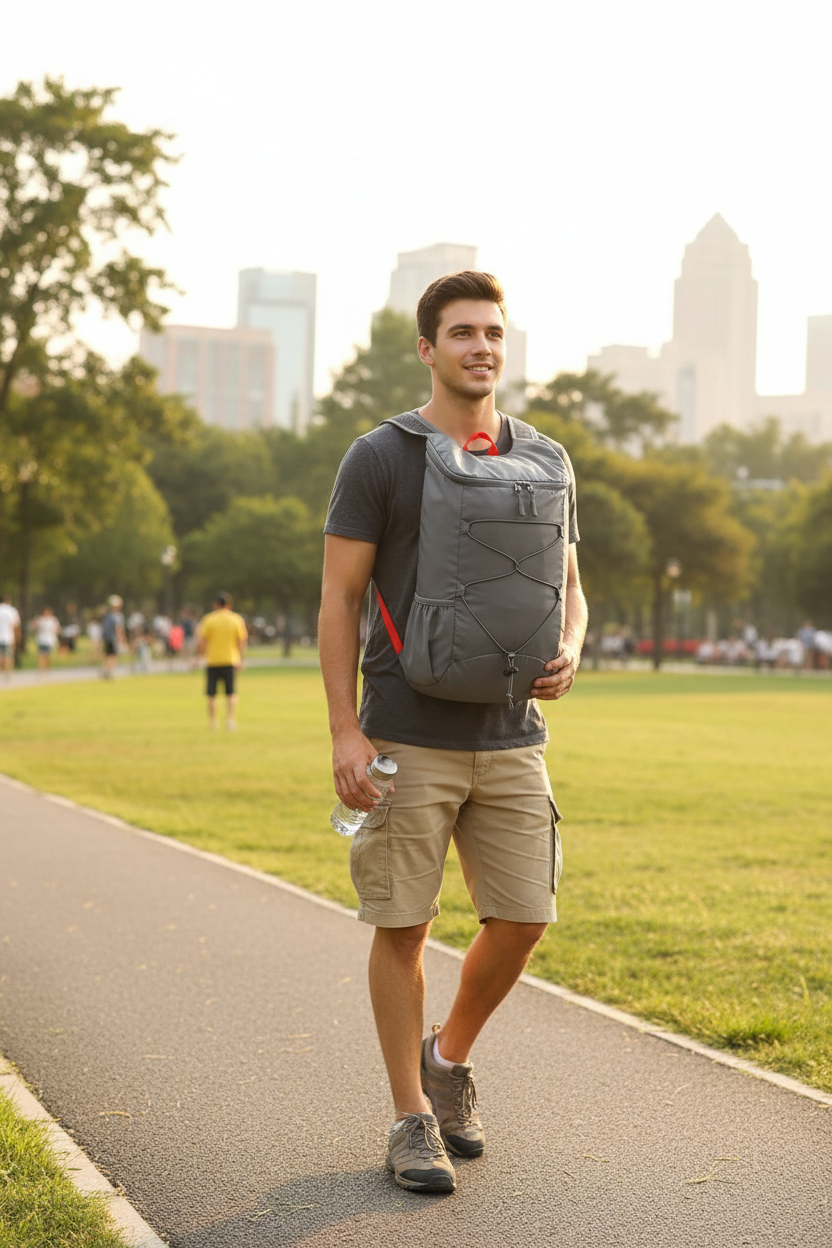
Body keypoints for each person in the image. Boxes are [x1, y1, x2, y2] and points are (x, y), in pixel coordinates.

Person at [319, 271, 587, 1193]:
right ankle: (410, 1119)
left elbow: (571, 588)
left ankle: (449, 1057)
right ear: (428, 349)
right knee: (404, 925)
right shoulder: (380, 457)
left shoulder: (546, 458)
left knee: (525, 917)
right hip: (406, 733)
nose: (482, 347)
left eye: (494, 333)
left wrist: (572, 647)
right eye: (463, 332)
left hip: (513, 735)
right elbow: (340, 598)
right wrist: (346, 732)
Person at [197, 593, 248, 730]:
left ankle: (213, 722)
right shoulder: (236, 619)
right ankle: (230, 721)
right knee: (231, 694)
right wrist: (240, 659)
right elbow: (241, 642)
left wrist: (199, 657)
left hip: (212, 660)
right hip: (230, 660)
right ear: (229, 605)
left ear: (216, 605)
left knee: (211, 695)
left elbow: (203, 641)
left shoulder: (209, 619)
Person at [100, 596, 126, 680]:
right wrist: (121, 640)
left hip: (108, 639)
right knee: (112, 656)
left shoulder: (107, 616)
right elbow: (119, 629)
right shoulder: (117, 616)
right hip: (112, 639)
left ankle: (107, 671)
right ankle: (108, 672)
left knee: (109, 656)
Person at [32, 606, 61, 672]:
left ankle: (47, 668)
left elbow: (58, 629)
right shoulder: (40, 620)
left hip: (49, 640)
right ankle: (41, 668)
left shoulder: (53, 620)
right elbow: (34, 627)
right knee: (41, 655)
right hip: (41, 639)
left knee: (47, 655)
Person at [0, 594, 21, 678]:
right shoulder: (11, 611)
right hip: (8, 637)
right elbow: (15, 625)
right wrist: (17, 638)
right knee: (8, 656)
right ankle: (7, 673)